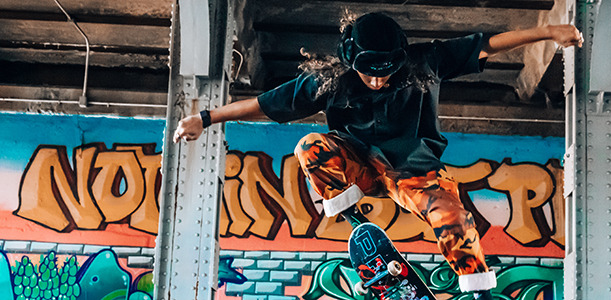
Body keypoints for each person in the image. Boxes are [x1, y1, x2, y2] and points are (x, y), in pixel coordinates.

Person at [174, 12, 582, 299]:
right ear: (352, 62)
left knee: (452, 219)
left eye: (385, 72)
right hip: (357, 169)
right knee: (310, 148)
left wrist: (548, 33)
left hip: (413, 172)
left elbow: (486, 45)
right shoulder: (330, 80)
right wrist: (206, 117)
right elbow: (266, 103)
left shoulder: (426, 62)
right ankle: (356, 221)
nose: (377, 80)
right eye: (368, 73)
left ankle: (478, 293)